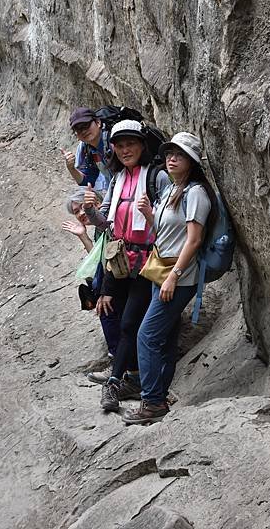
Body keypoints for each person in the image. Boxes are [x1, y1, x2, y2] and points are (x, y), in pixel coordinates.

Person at [122, 132, 217, 425]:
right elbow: (166, 234)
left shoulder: (196, 193)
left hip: (177, 276)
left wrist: (174, 277)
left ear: (192, 162)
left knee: (147, 335)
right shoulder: (172, 190)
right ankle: (158, 396)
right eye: (169, 153)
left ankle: (151, 403)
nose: (171, 158)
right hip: (160, 270)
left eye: (180, 155)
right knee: (163, 337)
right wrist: (151, 216)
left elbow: (194, 240)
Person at [83, 119, 171, 412]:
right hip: (121, 260)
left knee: (132, 322)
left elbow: (172, 224)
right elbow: (106, 222)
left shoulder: (156, 177)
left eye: (130, 144)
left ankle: (115, 383)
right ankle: (132, 378)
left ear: (142, 145)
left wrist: (148, 215)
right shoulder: (119, 178)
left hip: (149, 263)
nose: (124, 150)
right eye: (119, 146)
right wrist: (90, 211)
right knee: (119, 317)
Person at [63, 188, 122, 372]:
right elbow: (98, 260)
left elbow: (110, 261)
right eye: (76, 212)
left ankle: (123, 366)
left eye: (83, 207)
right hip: (112, 280)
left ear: (95, 202)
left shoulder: (108, 223)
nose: (81, 213)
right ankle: (120, 364)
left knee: (108, 310)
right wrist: (83, 236)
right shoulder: (98, 230)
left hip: (121, 281)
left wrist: (107, 291)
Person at [61, 107, 112, 192]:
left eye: (86, 125)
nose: (84, 131)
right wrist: (71, 168)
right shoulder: (88, 149)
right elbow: (87, 181)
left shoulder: (111, 140)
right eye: (78, 129)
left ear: (98, 122)